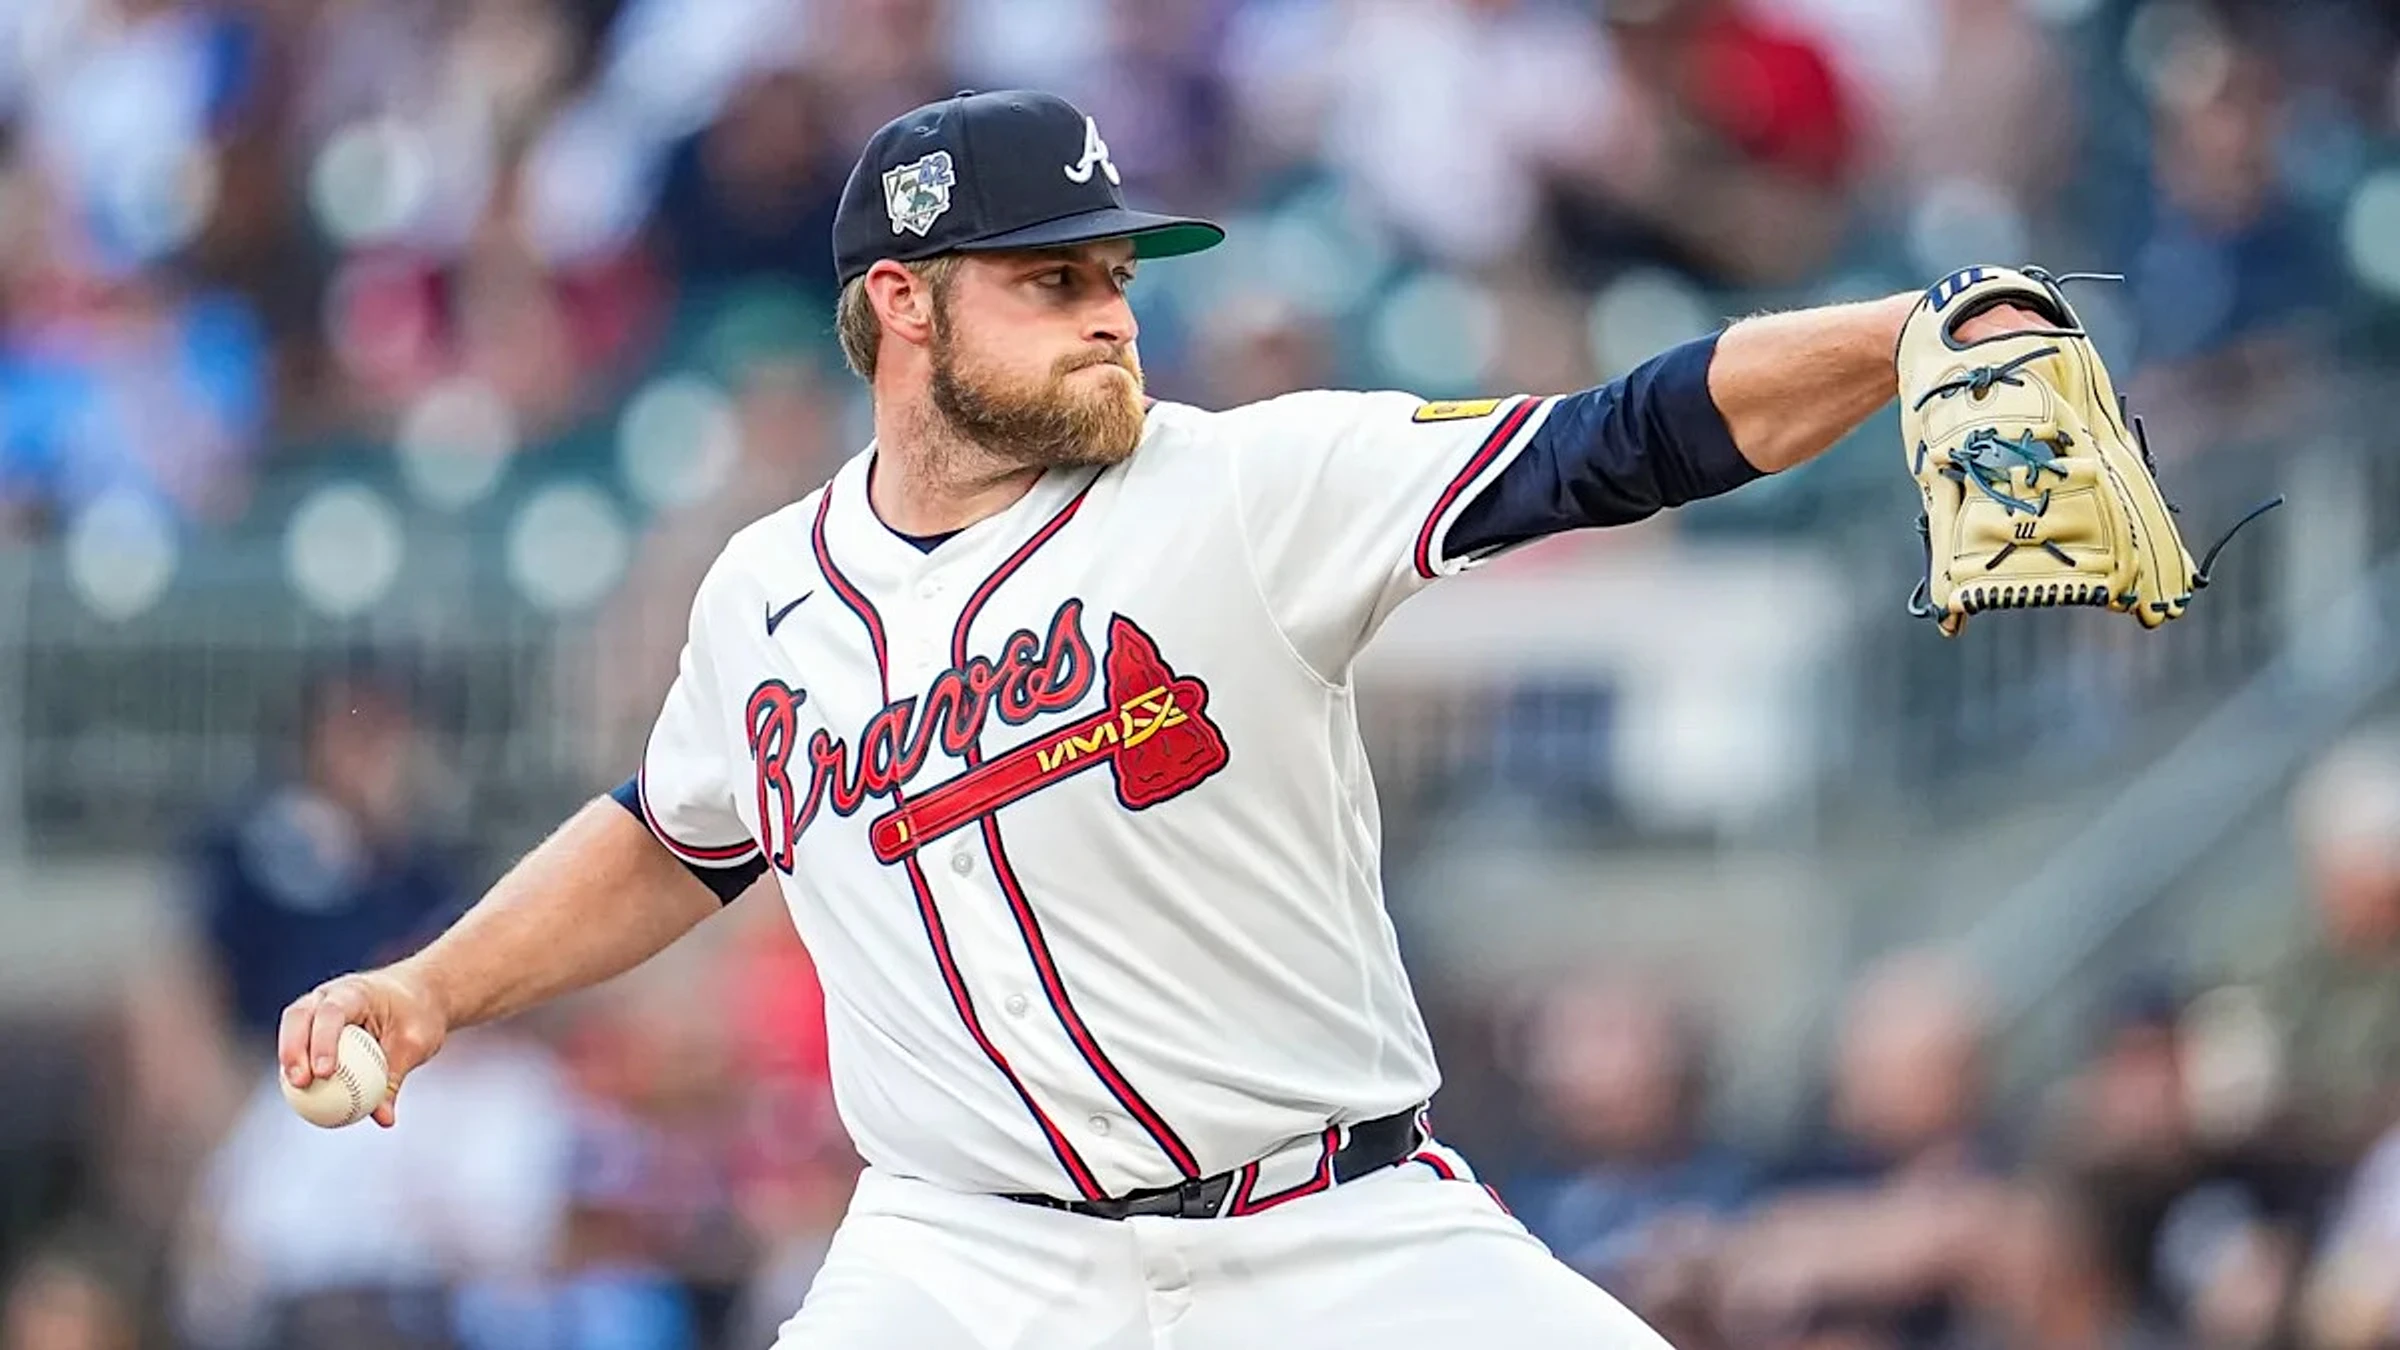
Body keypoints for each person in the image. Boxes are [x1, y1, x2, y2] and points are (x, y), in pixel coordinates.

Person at [276, 89, 2054, 1347]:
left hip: (1334, 1226)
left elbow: (1619, 434)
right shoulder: (765, 593)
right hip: (968, 1262)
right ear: (902, 305)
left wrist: (1910, 330)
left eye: (1118, 274)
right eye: (1053, 280)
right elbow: (678, 834)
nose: (1111, 314)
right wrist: (429, 988)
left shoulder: (1246, 483)